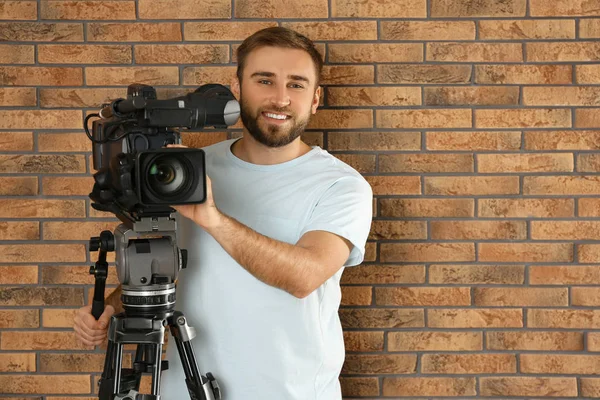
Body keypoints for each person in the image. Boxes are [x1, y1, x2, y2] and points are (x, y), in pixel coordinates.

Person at [73, 26, 373, 400]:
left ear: (315, 99)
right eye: (264, 80)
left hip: (288, 391)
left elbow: (304, 277)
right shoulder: (183, 169)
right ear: (238, 88)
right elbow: (161, 260)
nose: (280, 98)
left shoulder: (341, 185)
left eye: (296, 84)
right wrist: (110, 308)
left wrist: (212, 218)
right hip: (183, 387)